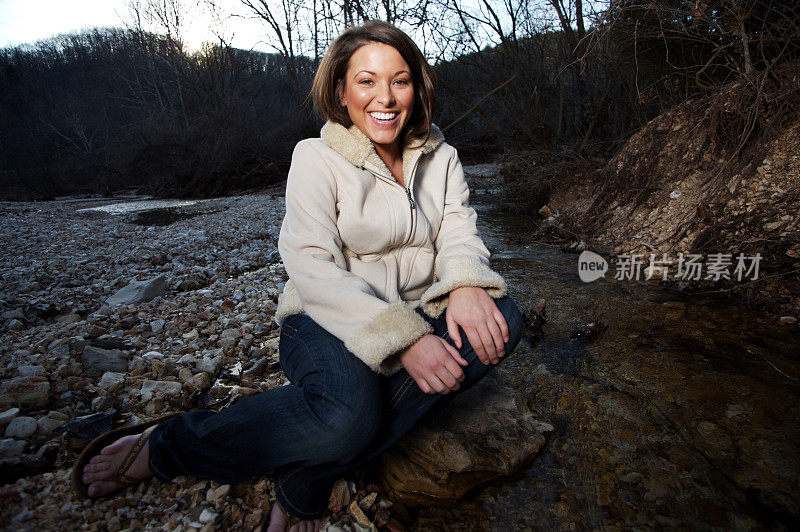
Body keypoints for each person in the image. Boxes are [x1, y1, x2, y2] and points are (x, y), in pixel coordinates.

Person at [74, 20, 524, 531]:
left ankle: (304, 474)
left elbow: (460, 234)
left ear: (417, 88)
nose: (386, 97)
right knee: (345, 419)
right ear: (342, 91)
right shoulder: (315, 158)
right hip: (324, 318)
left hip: (419, 306)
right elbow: (311, 268)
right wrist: (405, 339)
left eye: (400, 80)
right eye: (367, 81)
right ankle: (169, 445)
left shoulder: (444, 158)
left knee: (503, 317)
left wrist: (465, 284)